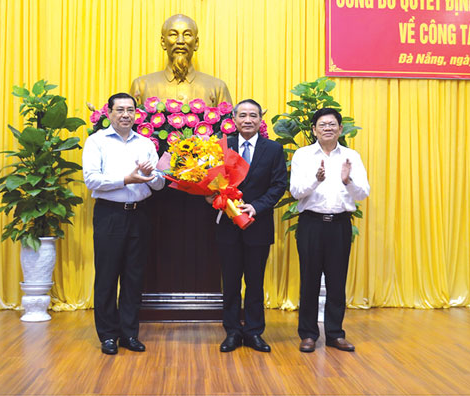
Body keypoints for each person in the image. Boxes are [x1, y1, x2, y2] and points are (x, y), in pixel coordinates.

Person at [82, 93, 165, 355]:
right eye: (120, 110)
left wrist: (152, 177)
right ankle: (108, 335)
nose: (126, 114)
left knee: (133, 277)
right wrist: (126, 179)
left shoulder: (145, 143)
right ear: (109, 113)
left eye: (130, 110)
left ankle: (129, 334)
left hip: (140, 214)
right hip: (110, 214)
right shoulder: (96, 142)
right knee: (107, 276)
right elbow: (92, 180)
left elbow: (160, 183)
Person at [290, 107, 370, 353]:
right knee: (309, 280)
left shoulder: (351, 156)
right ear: (313, 129)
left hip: (339, 225)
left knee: (337, 281)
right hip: (311, 224)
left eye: (332, 124)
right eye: (322, 124)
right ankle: (309, 335)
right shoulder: (303, 155)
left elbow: (363, 193)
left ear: (340, 128)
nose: (327, 128)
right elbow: (295, 192)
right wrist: (316, 179)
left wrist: (348, 180)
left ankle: (335, 334)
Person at [213, 99, 287, 352]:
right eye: (242, 115)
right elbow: (211, 179)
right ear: (233, 119)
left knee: (255, 282)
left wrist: (256, 206)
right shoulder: (223, 146)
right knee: (231, 282)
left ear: (260, 119)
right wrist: (213, 195)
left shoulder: (273, 149)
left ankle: (254, 332)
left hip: (258, 224)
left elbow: (279, 185)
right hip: (228, 226)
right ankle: (232, 332)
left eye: (253, 115)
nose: (247, 120)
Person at [130, 14, 232, 106]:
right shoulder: (141, 86)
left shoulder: (217, 88)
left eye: (187, 35)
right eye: (173, 35)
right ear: (163, 42)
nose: (180, 41)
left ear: (196, 43)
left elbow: (228, 124)